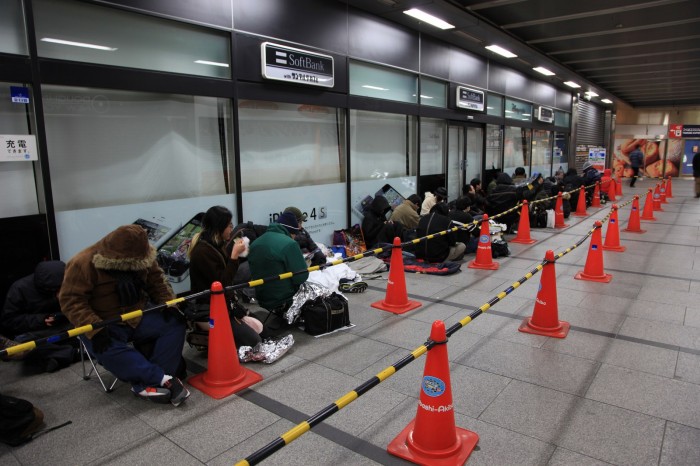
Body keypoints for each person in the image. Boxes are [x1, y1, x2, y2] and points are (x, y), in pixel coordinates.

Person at [59, 225, 190, 407]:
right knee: (107, 346)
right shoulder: (83, 262)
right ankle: (161, 378)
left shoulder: (145, 255)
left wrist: (168, 305)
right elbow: (71, 301)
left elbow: (157, 283)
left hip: (137, 314)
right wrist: (95, 329)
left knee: (175, 323)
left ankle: (149, 382)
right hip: (102, 321)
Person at [188, 206, 262, 349]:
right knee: (254, 340)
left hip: (226, 305)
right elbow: (222, 284)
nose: (231, 229)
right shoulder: (202, 252)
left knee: (259, 324)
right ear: (219, 227)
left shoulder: (216, 245)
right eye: (229, 225)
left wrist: (238, 255)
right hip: (209, 311)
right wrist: (234, 257)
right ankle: (215, 341)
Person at [1, 261, 76, 372]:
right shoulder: (19, 289)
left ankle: (60, 356)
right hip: (35, 331)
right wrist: (41, 320)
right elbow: (9, 320)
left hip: (61, 325)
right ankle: (75, 353)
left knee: (81, 329)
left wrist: (61, 309)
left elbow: (77, 307)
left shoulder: (66, 284)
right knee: (22, 346)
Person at [247, 212, 309, 316]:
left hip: (261, 296)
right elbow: (301, 277)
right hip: (283, 298)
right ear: (292, 232)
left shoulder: (255, 243)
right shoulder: (290, 244)